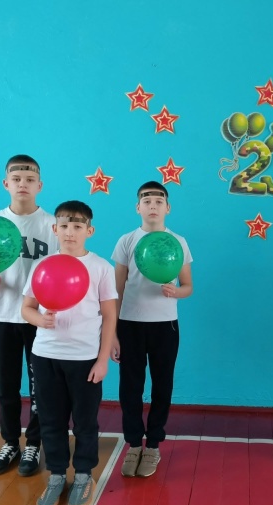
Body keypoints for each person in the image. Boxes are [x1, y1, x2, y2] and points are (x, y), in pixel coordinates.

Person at [21, 201, 117, 505]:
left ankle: (84, 475)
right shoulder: (42, 266)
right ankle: (57, 475)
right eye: (64, 226)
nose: (70, 232)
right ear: (55, 229)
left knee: (85, 421)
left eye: (77, 226)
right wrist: (40, 320)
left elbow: (110, 316)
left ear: (90, 231)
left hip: (85, 359)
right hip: (45, 356)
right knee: (51, 420)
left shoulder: (101, 267)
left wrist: (102, 360)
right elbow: (26, 309)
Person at [0, 154, 58, 477]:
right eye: (16, 179)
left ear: (40, 185)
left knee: (40, 389)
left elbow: (60, 268)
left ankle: (33, 444)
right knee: (6, 386)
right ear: (6, 184)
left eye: (29, 179)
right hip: (1, 316)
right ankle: (10, 442)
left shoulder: (52, 225)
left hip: (38, 320)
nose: (22, 184)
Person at [111, 181, 193, 478]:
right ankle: (134, 444)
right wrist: (112, 333)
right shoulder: (127, 241)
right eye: (146, 201)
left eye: (159, 201)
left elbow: (188, 286)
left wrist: (176, 292)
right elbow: (116, 290)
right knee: (130, 388)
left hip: (165, 327)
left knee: (162, 386)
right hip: (130, 325)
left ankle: (154, 445)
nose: (153, 205)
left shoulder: (178, 242)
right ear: (138, 207)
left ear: (167, 207)